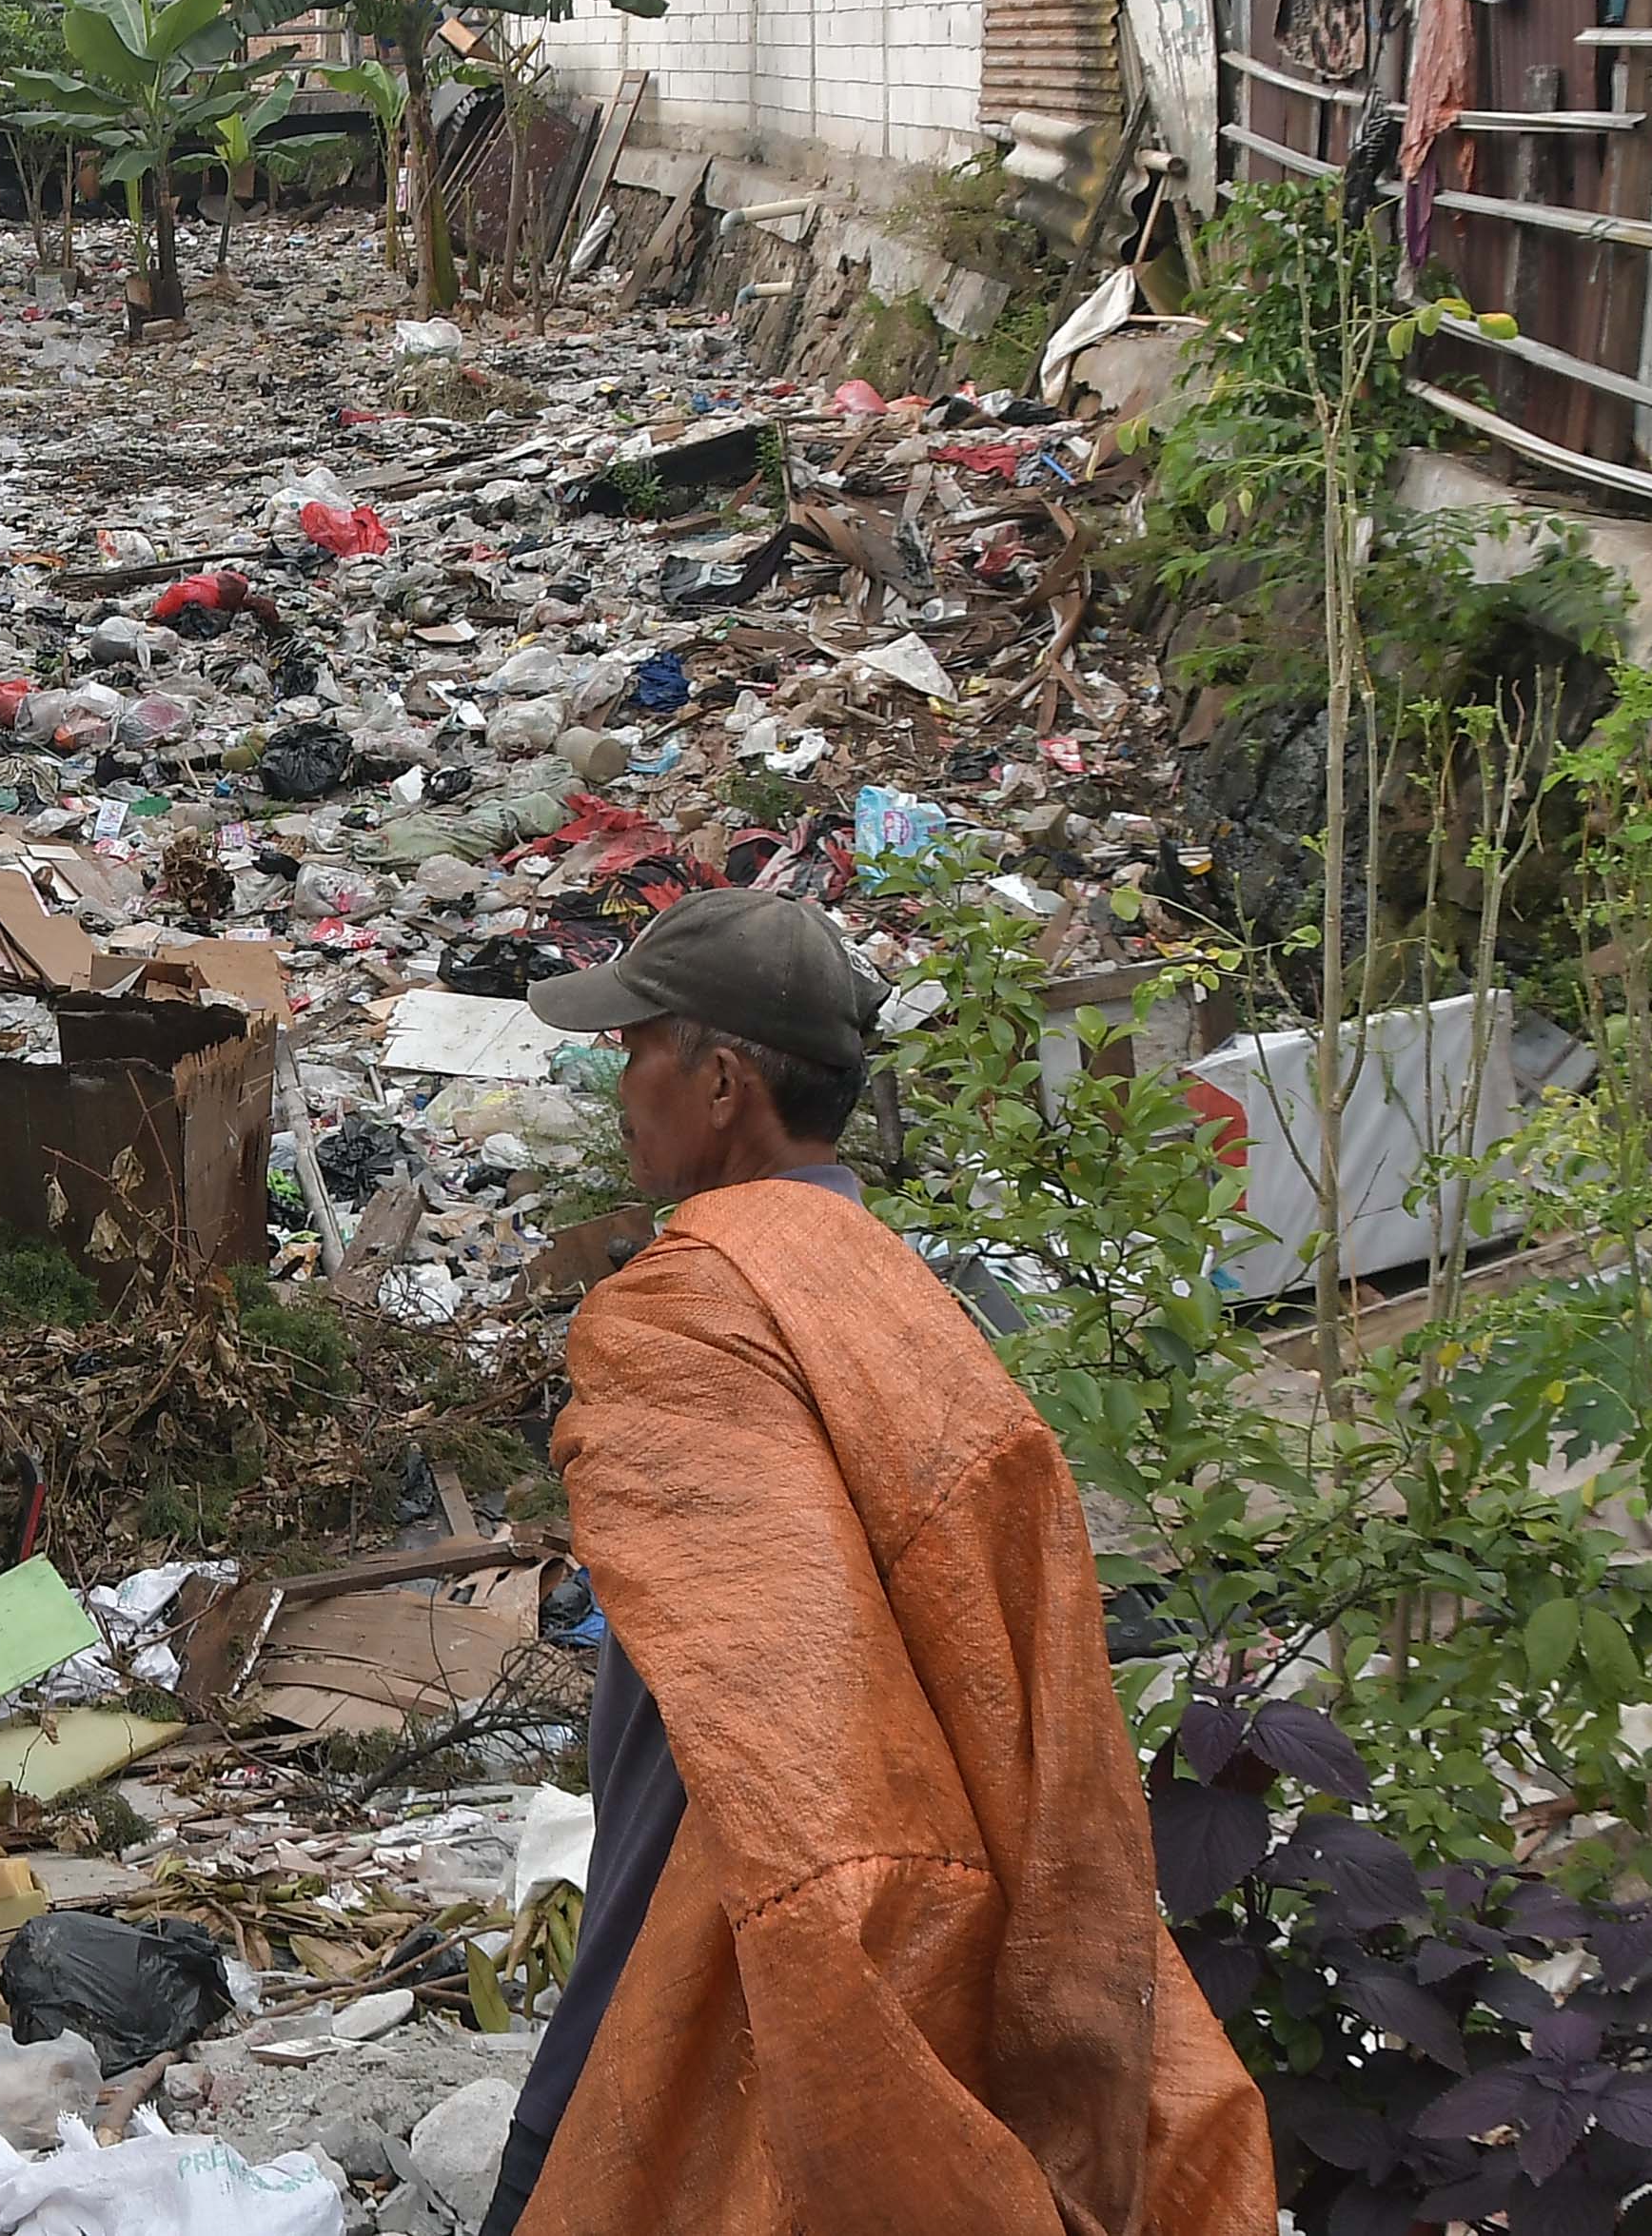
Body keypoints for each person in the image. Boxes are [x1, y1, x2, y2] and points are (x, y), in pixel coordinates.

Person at [477, 889, 1270, 2236]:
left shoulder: (695, 1304)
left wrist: (801, 1978)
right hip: (904, 1927)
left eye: (637, 1046)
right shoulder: (901, 1291)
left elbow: (773, 1733)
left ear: (723, 1081)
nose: (616, 1082)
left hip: (724, 1926)